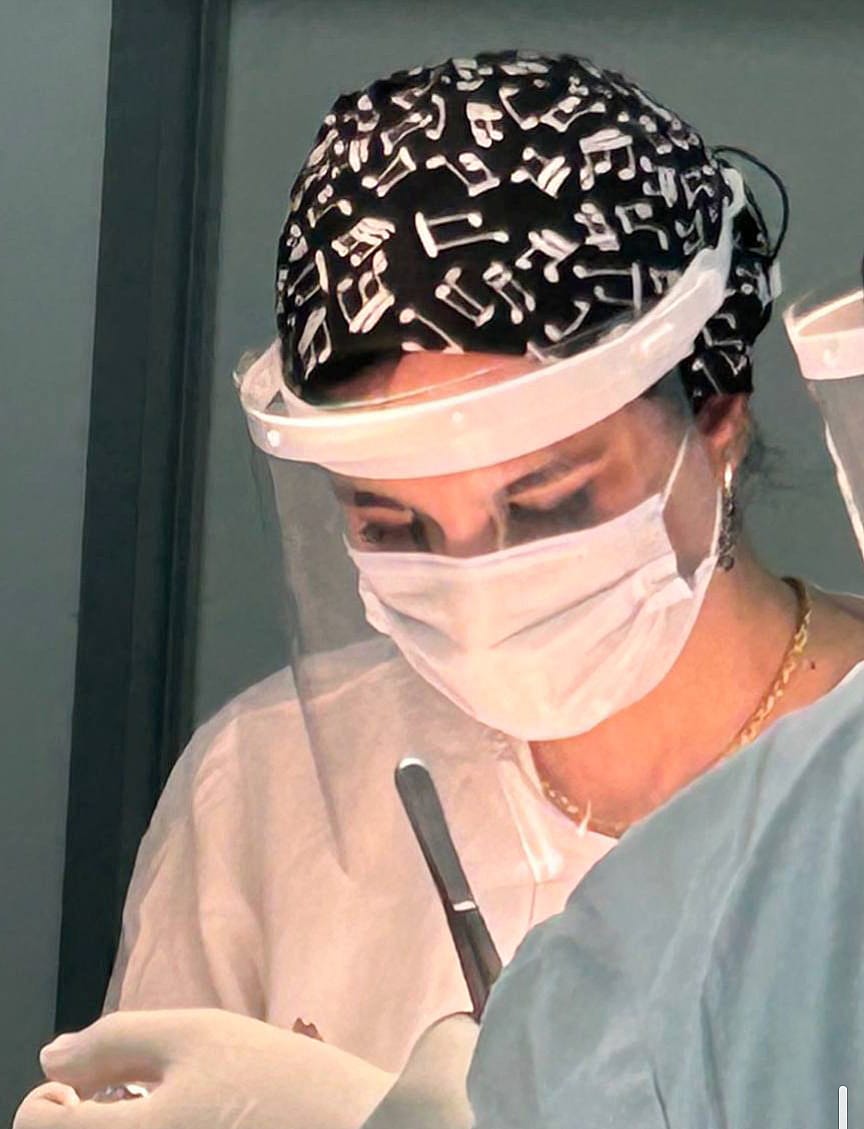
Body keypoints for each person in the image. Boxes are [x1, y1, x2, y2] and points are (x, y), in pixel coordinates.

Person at [15, 49, 864, 1129]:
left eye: (550, 499)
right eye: (391, 522)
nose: (475, 580)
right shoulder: (266, 794)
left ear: (716, 410)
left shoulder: (840, 790)